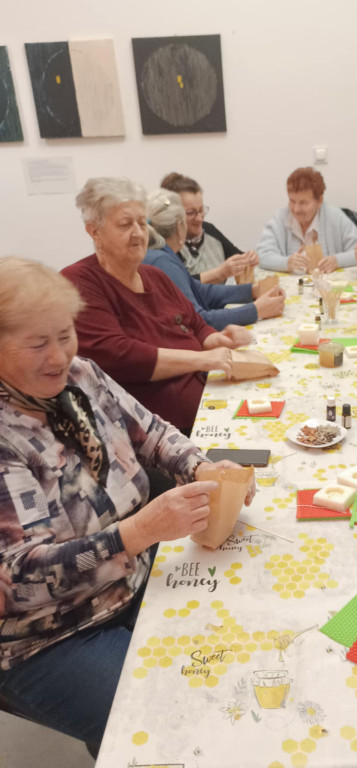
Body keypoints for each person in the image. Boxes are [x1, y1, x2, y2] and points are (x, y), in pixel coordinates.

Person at [0, 257, 256, 754]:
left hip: (133, 577)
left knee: (238, 642)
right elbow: (15, 580)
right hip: (51, 634)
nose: (59, 356)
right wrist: (136, 533)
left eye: (65, 334)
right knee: (169, 723)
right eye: (38, 343)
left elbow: (153, 433)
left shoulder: (81, 376)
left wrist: (203, 468)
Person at [62, 178, 252, 434]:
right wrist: (200, 359)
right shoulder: (79, 283)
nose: (138, 233)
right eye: (125, 224)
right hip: (157, 437)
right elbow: (121, 356)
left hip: (209, 410)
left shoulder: (155, 275)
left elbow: (195, 323)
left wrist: (215, 339)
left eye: (142, 223)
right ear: (94, 231)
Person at [144, 189, 285, 331]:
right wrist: (256, 310)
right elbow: (199, 320)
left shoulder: (161, 255)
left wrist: (252, 291)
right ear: (180, 226)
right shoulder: (162, 262)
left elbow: (199, 290)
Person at [161, 172, 259, 284]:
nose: (199, 218)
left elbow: (237, 256)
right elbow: (179, 285)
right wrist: (220, 273)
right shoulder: (167, 245)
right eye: (191, 213)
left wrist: (249, 259)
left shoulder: (209, 230)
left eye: (201, 210)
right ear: (172, 214)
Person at [257, 167, 357, 273]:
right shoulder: (279, 219)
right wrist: (286, 263)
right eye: (292, 201)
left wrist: (337, 261)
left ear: (319, 201)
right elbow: (262, 256)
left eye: (303, 203)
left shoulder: (335, 217)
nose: (296, 209)